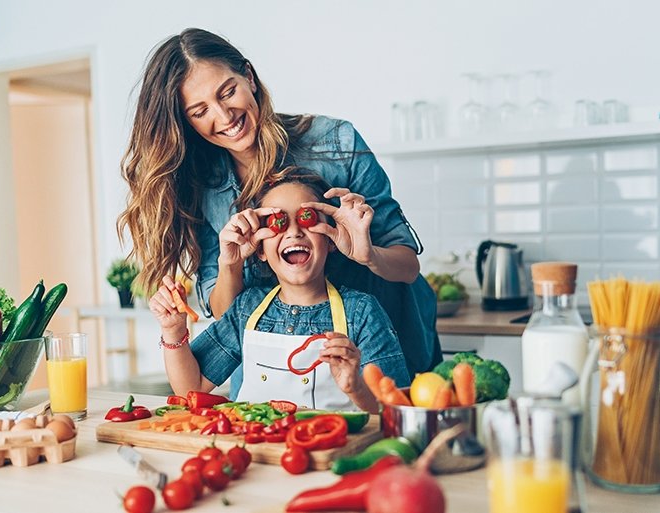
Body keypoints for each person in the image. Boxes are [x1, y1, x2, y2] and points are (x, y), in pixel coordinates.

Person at [118, 28, 440, 393]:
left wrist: (369, 256)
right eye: (199, 110)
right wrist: (230, 263)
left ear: (249, 78)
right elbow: (228, 314)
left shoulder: (336, 142)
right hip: (274, 372)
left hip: (374, 352)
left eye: (228, 92)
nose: (224, 116)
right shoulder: (198, 184)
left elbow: (407, 265)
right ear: (185, 121)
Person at [149, 172, 410, 413]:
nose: (294, 232)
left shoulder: (362, 311)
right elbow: (190, 388)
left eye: (307, 219)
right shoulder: (247, 308)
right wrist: (173, 330)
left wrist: (356, 388)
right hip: (254, 454)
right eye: (278, 223)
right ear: (260, 249)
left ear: (330, 239)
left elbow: (395, 410)